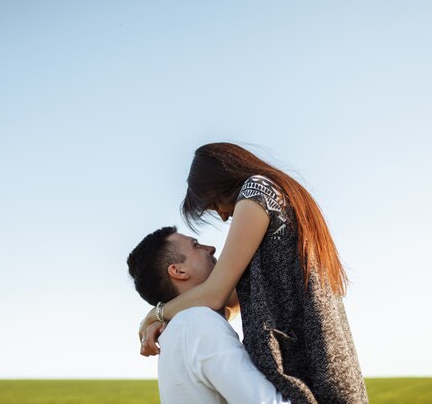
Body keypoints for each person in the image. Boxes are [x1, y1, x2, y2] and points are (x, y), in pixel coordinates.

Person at [139, 143, 369, 404]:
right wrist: (170, 320)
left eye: (215, 204)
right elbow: (229, 303)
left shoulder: (256, 191)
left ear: (223, 181)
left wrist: (155, 313)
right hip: (319, 363)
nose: (224, 216)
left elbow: (215, 293)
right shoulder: (276, 196)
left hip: (310, 370)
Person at [127, 226, 290, 404]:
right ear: (179, 271)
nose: (210, 248)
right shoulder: (198, 322)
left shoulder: (182, 327)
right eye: (196, 245)